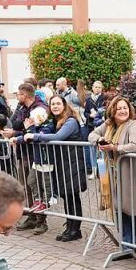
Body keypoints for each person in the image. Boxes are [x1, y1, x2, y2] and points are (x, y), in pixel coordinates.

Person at [24, 95, 86, 242]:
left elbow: (58, 137)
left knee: (72, 196)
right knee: (67, 196)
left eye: (58, 103)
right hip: (62, 163)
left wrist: (34, 136)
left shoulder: (70, 121)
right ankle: (70, 226)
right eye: (53, 104)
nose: (55, 106)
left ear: (64, 105)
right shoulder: (57, 121)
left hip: (72, 162)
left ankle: (75, 229)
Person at [89, 96, 136, 252]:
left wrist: (114, 147)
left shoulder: (134, 125)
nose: (122, 111)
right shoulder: (109, 126)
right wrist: (100, 139)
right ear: (113, 111)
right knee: (118, 207)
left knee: (129, 207)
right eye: (119, 108)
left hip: (129, 172)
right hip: (112, 173)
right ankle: (125, 242)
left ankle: (132, 243)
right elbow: (91, 135)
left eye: (125, 108)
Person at [9, 82, 50, 233]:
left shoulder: (39, 109)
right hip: (24, 151)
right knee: (26, 185)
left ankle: (41, 220)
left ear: (24, 95)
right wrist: (16, 133)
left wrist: (21, 131)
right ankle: (32, 216)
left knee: (37, 185)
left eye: (18, 94)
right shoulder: (23, 108)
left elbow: (35, 131)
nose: (17, 97)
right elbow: (18, 124)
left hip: (36, 153)